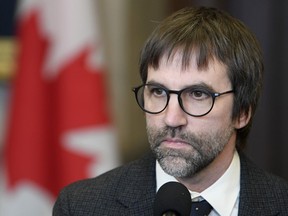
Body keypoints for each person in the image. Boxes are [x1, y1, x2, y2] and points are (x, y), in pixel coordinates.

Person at [53, 6, 288, 216]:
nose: (172, 118)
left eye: (198, 94)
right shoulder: (81, 207)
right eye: (158, 92)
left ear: (242, 113)